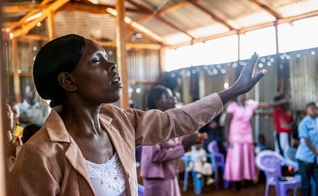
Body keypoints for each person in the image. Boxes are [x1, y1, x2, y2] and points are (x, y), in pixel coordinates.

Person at [8, 34, 266, 196]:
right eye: (96, 61)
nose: (113, 65)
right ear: (68, 81)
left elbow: (176, 120)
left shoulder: (119, 122)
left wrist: (231, 92)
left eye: (108, 58)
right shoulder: (40, 155)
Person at [140, 85, 200, 196]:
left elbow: (176, 140)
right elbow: (155, 155)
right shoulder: (152, 123)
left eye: (172, 95)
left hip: (168, 171)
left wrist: (191, 140)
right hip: (156, 175)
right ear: (157, 102)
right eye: (168, 96)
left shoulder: (168, 120)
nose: (174, 98)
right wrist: (182, 147)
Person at [223, 93, 288, 190]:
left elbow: (267, 104)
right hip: (235, 135)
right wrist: (227, 138)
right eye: (242, 94)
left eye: (246, 94)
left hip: (247, 135)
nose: (245, 96)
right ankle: (235, 182)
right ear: (238, 96)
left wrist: (282, 101)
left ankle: (247, 180)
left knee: (247, 158)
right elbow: (227, 123)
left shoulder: (250, 104)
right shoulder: (233, 106)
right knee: (236, 159)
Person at [295, 102, 318, 196]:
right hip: (304, 158)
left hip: (315, 158)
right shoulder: (303, 123)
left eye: (316, 109)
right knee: (306, 184)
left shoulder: (316, 122)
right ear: (307, 110)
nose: (315, 111)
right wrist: (317, 153)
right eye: (312, 109)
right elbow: (307, 142)